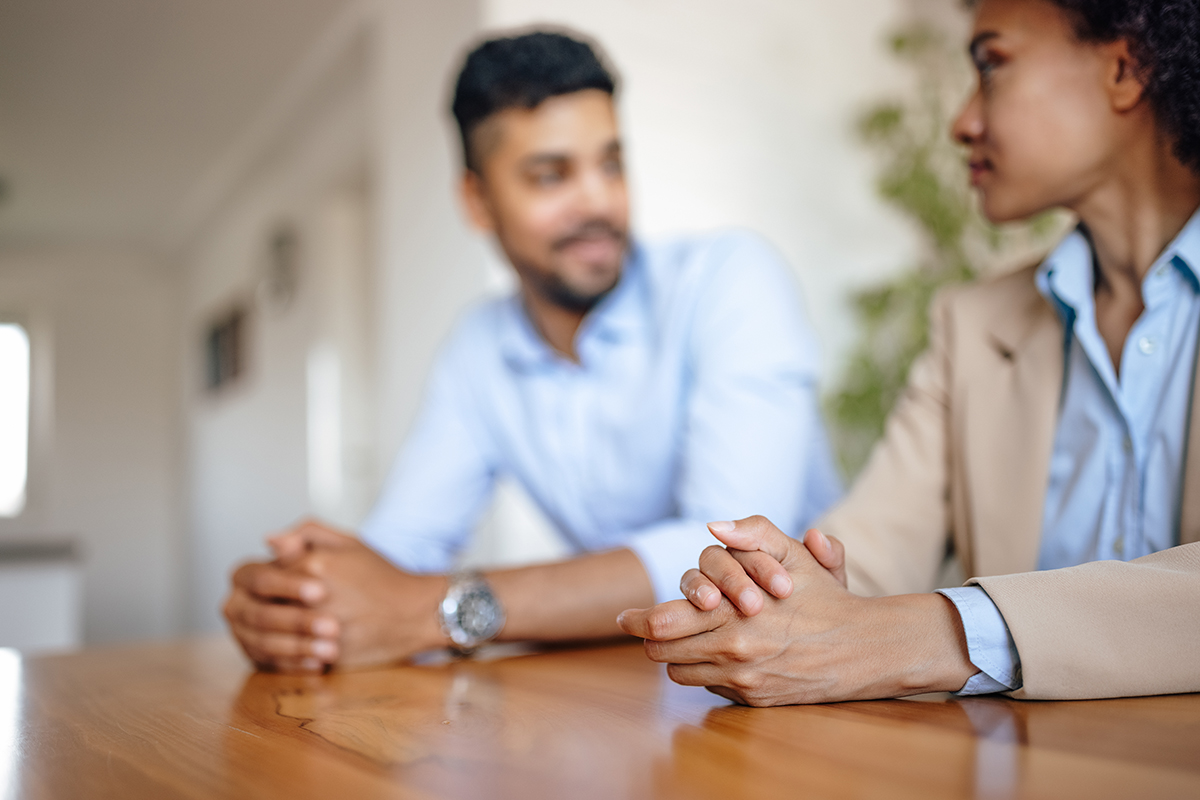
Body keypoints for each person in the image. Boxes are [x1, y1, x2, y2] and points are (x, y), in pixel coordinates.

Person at [619, 0, 1200, 703]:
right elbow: (870, 550)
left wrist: (934, 636)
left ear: (1125, 67)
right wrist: (770, 590)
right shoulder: (975, 322)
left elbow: (883, 633)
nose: (962, 121)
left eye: (991, 64)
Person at [222, 30, 841, 673]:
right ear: (477, 201)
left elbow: (731, 555)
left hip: (815, 688)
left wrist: (429, 608)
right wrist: (302, 599)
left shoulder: (730, 279)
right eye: (551, 176)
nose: (599, 200)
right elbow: (400, 555)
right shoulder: (477, 349)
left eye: (611, 163)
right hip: (645, 691)